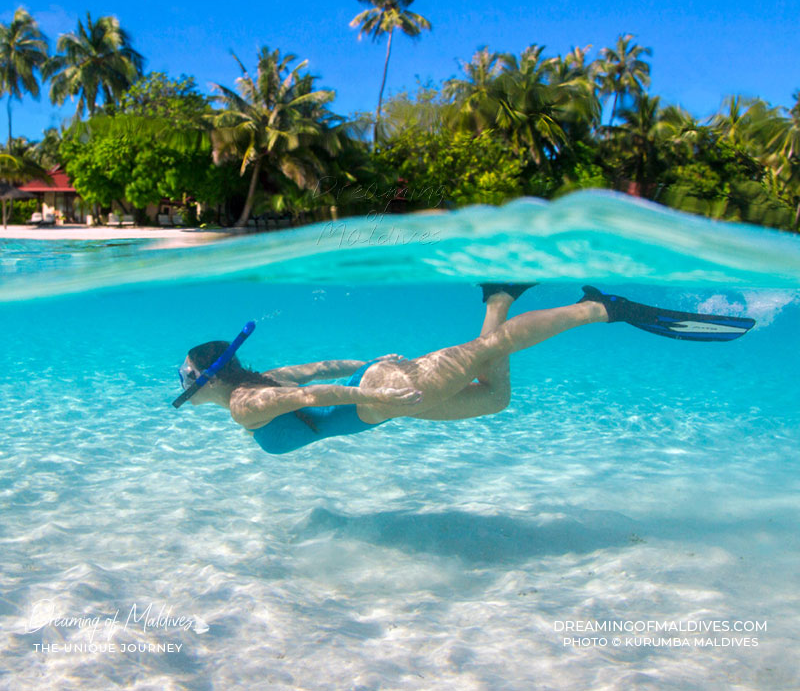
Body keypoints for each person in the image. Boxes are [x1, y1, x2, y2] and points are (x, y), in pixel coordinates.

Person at [174, 285, 755, 455]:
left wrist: (380, 380)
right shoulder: (262, 377)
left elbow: (311, 394)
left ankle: (602, 309)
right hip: (379, 394)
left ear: (208, 379)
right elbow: (324, 365)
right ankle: (498, 296)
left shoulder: (245, 405)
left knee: (482, 355)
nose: (184, 390)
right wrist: (373, 363)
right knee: (493, 396)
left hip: (382, 397)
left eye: (186, 380)